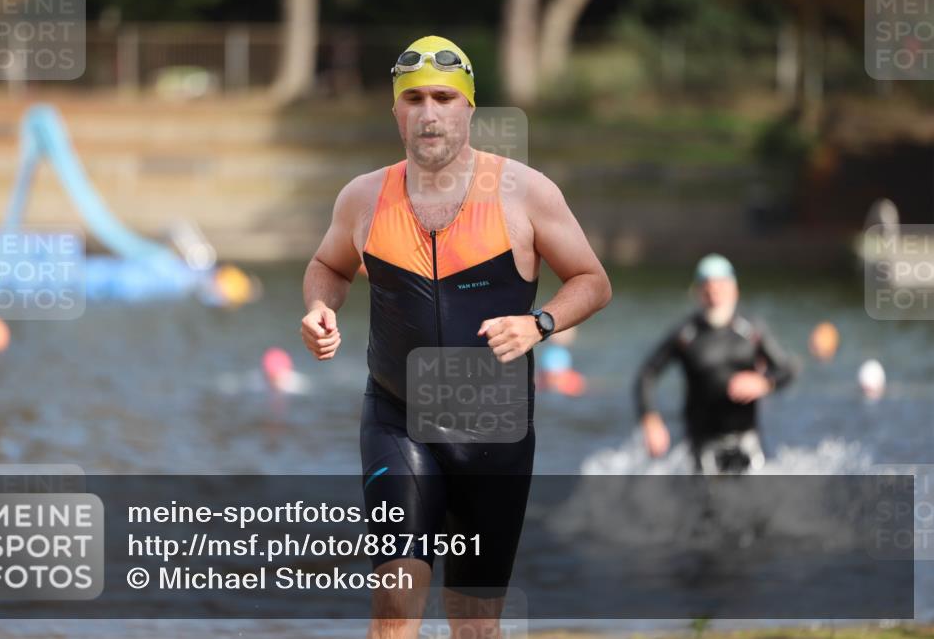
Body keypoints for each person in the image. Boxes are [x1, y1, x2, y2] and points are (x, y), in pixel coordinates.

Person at [300, 36, 611, 638]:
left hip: (494, 431)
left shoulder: (526, 193)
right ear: (396, 112)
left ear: (469, 108)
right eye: (413, 99)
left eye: (444, 96)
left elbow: (593, 281)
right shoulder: (363, 197)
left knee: (473, 624)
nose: (429, 111)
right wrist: (319, 307)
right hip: (398, 420)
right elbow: (328, 266)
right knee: (394, 606)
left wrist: (539, 323)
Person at [634, 254, 796, 474]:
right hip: (702, 441)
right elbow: (647, 374)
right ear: (698, 292)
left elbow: (787, 368)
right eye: (707, 286)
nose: (714, 292)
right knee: (709, 506)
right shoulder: (686, 334)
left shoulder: (751, 329)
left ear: (734, 289)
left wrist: (764, 382)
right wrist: (650, 419)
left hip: (747, 438)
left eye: (721, 285)